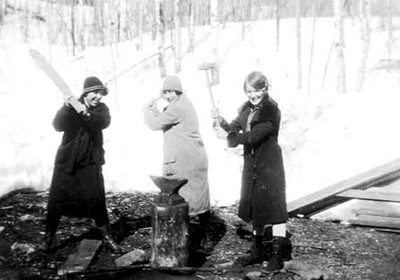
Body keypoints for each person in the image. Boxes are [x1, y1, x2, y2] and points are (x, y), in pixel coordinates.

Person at [211, 71, 292, 270]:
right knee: (255, 208)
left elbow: (254, 135)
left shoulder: (271, 110)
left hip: (269, 165)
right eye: (249, 91)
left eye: (257, 90)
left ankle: (276, 257)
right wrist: (220, 120)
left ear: (265, 89)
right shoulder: (247, 109)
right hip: (252, 165)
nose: (253, 95)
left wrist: (229, 138)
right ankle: (256, 251)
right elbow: (234, 126)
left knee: (274, 211)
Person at [44, 76, 123, 254]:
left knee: (97, 202)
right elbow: (57, 125)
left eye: (100, 93)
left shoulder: (102, 109)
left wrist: (87, 114)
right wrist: (66, 108)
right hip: (67, 162)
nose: (98, 97)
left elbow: (103, 122)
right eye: (95, 93)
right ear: (86, 93)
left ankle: (108, 238)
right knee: (56, 202)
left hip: (90, 163)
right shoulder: (72, 106)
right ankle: (48, 239)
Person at [143, 75, 211, 252]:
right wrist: (156, 111)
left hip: (185, 161)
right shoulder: (181, 105)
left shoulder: (178, 108)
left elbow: (156, 125)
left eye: (171, 91)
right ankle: (203, 238)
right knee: (198, 200)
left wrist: (146, 111)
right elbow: (166, 121)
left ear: (178, 91)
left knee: (184, 200)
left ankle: (188, 241)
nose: (168, 95)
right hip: (193, 158)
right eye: (165, 92)